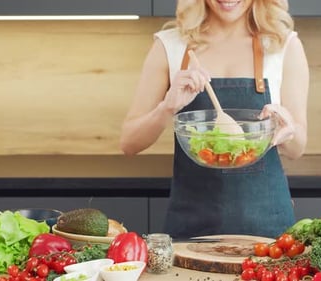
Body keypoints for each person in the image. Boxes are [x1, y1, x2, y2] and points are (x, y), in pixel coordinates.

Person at [120, 0, 309, 238]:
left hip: (267, 224)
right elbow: (129, 143)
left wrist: (288, 129)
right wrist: (167, 107)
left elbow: (297, 148)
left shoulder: (284, 46)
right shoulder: (170, 45)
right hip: (191, 222)